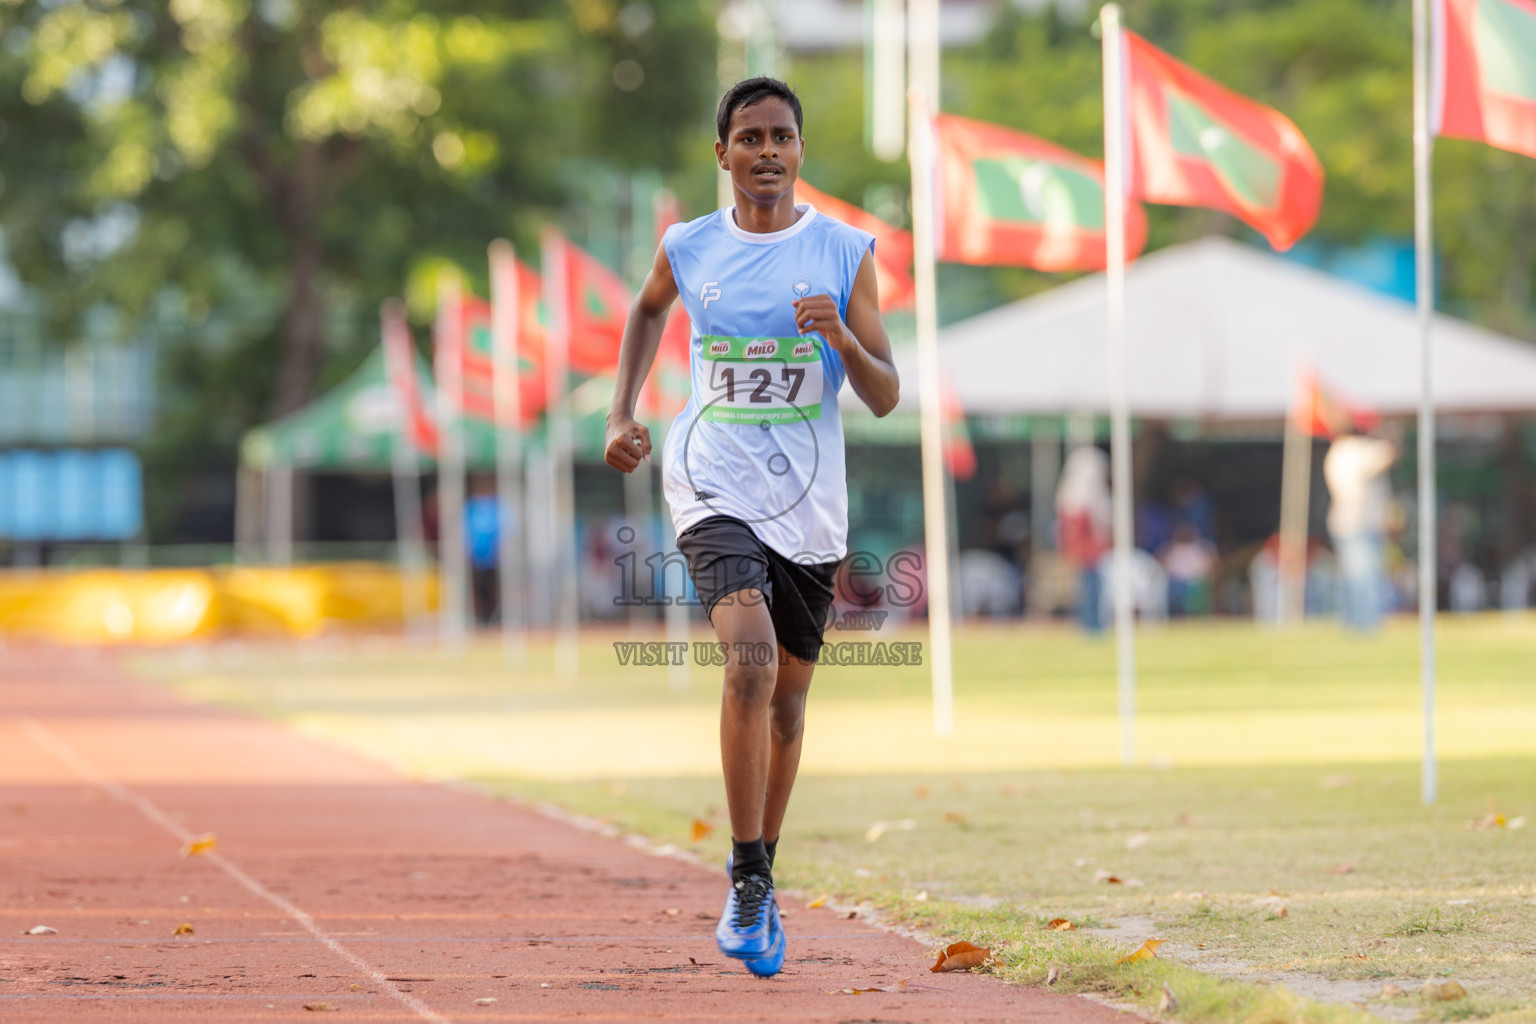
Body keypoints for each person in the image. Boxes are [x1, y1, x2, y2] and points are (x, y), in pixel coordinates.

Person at [602, 78, 899, 977]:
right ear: (722, 153)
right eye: (749, 137)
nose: (767, 151)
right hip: (709, 481)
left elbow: (885, 395)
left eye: (782, 137)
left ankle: (761, 871)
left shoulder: (845, 251)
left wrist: (842, 345)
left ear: (800, 151)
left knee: (791, 704)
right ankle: (746, 874)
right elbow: (649, 308)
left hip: (809, 504)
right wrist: (621, 414)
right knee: (751, 663)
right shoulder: (689, 246)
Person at [1323, 427, 1399, 631]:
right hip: (1357, 525)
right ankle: (1364, 625)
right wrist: (1392, 437)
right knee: (1363, 578)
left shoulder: (1338, 452)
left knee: (1352, 578)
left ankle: (1353, 622)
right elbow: (1384, 455)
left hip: (1351, 524)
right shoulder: (1349, 450)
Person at [1055, 446, 1112, 632]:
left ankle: (1094, 625)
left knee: (1094, 589)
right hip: (1085, 552)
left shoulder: (1084, 494)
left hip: (1093, 552)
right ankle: (1089, 625)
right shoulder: (1075, 496)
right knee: (1087, 590)